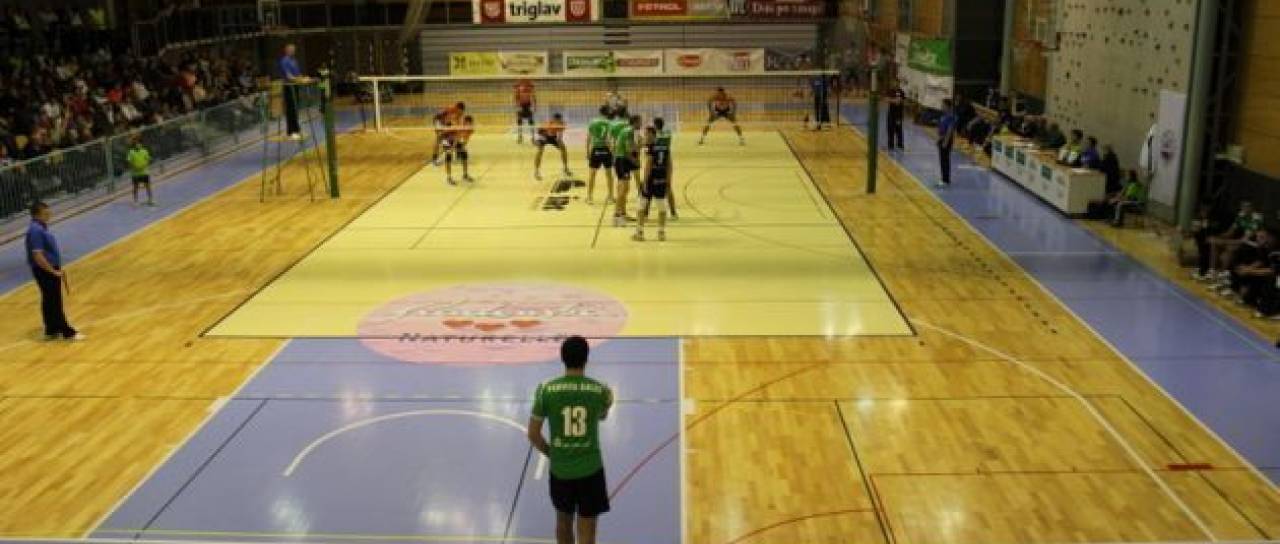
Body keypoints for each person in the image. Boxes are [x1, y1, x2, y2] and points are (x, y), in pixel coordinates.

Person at [526, 335, 614, 544]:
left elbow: (533, 434)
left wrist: (551, 452)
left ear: (562, 358)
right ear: (586, 359)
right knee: (587, 531)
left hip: (561, 472)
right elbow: (602, 416)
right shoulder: (600, 390)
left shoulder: (546, 391)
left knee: (563, 523)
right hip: (590, 470)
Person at [26, 202, 83, 341]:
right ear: (37, 214)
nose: (49, 215)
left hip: (47, 269)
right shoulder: (36, 231)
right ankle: (67, 332)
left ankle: (51, 329)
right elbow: (38, 255)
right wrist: (53, 271)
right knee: (54, 301)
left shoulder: (39, 228)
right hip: (45, 271)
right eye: (46, 213)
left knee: (48, 300)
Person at [1196, 201, 1263, 282]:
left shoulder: (1256, 219)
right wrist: (1216, 237)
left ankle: (1222, 276)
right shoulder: (1241, 215)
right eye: (1243, 206)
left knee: (1230, 248)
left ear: (1252, 208)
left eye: (1247, 206)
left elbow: (1244, 240)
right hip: (1241, 241)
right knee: (1214, 243)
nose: (1244, 208)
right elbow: (1230, 232)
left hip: (1252, 244)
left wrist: (1223, 242)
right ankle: (1212, 272)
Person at [634, 118, 673, 242]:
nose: (645, 136)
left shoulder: (650, 148)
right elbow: (669, 165)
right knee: (662, 206)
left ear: (652, 135)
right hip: (662, 179)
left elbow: (648, 165)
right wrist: (668, 181)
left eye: (646, 134)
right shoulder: (665, 147)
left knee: (641, 206)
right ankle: (661, 233)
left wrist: (645, 182)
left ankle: (639, 233)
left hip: (651, 180)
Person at [610, 112, 639, 227]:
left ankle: (622, 213)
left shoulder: (627, 131)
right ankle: (616, 216)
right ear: (635, 122)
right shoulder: (629, 131)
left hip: (621, 160)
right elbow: (628, 151)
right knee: (623, 189)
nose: (641, 124)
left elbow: (629, 147)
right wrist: (634, 161)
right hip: (622, 161)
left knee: (624, 189)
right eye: (640, 122)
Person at [278, 43, 311, 140]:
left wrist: (304, 78)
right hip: (288, 87)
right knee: (290, 109)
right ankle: (291, 131)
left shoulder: (294, 60)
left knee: (296, 109)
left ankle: (296, 129)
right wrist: (300, 80)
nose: (293, 51)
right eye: (291, 49)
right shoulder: (284, 61)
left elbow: (297, 74)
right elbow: (289, 76)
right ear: (286, 50)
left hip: (295, 86)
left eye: (294, 50)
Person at [585, 107, 615, 205]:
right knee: (609, 174)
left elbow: (588, 138)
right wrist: (612, 152)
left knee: (592, 174)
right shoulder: (609, 123)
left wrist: (587, 152)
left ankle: (589, 197)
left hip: (596, 150)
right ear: (607, 113)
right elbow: (608, 139)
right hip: (606, 150)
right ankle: (611, 197)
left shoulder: (592, 122)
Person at [534, 113, 571, 181]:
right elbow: (539, 132)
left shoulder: (562, 124)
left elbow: (559, 136)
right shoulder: (548, 124)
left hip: (553, 137)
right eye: (557, 120)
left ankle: (565, 168)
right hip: (543, 135)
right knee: (540, 150)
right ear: (554, 119)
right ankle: (536, 171)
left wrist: (559, 141)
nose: (558, 121)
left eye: (559, 120)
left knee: (563, 149)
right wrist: (539, 141)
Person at [429, 102, 466, 166]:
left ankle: (457, 153)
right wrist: (439, 127)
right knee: (439, 139)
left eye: (461, 112)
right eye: (460, 111)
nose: (460, 113)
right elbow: (437, 117)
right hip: (439, 122)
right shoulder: (449, 109)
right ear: (457, 108)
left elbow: (457, 124)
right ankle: (434, 159)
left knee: (453, 136)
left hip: (447, 124)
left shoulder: (459, 114)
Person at [442, 115, 475, 186]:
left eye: (470, 123)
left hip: (455, 140)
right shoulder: (459, 127)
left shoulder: (470, 129)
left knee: (464, 154)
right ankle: (449, 177)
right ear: (464, 122)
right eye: (466, 123)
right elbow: (456, 138)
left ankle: (465, 175)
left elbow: (465, 139)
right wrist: (452, 149)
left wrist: (462, 146)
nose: (468, 125)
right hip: (446, 138)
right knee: (448, 156)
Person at [125, 135, 155, 207]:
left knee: (148, 186)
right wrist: (133, 166)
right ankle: (136, 201)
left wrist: (145, 164)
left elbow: (148, 159)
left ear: (141, 143)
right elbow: (129, 161)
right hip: (135, 174)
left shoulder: (144, 151)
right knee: (135, 187)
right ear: (133, 144)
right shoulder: (131, 152)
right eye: (136, 143)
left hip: (144, 172)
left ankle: (150, 199)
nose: (137, 144)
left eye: (139, 143)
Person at [935, 99, 956, 188]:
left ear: (947, 106)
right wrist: (938, 139)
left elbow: (949, 130)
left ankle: (946, 180)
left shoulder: (950, 117)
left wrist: (945, 142)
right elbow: (940, 128)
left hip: (946, 140)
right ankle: (943, 178)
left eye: (943, 105)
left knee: (945, 160)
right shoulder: (942, 116)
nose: (942, 106)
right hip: (941, 139)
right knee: (942, 159)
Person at [886, 80, 906, 151]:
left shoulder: (901, 92)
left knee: (899, 130)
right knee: (890, 129)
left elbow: (904, 100)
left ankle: (900, 145)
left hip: (898, 115)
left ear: (899, 83)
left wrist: (901, 101)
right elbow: (887, 99)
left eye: (897, 83)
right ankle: (890, 145)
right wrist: (894, 101)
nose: (895, 84)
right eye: (894, 83)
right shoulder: (891, 91)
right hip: (891, 114)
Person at [515, 78, 536, 144]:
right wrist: (517, 107)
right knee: (519, 122)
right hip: (521, 107)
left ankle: (533, 137)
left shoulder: (530, 89)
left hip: (528, 107)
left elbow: (534, 97)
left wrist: (534, 106)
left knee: (531, 122)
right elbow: (516, 98)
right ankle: (520, 137)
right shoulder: (519, 89)